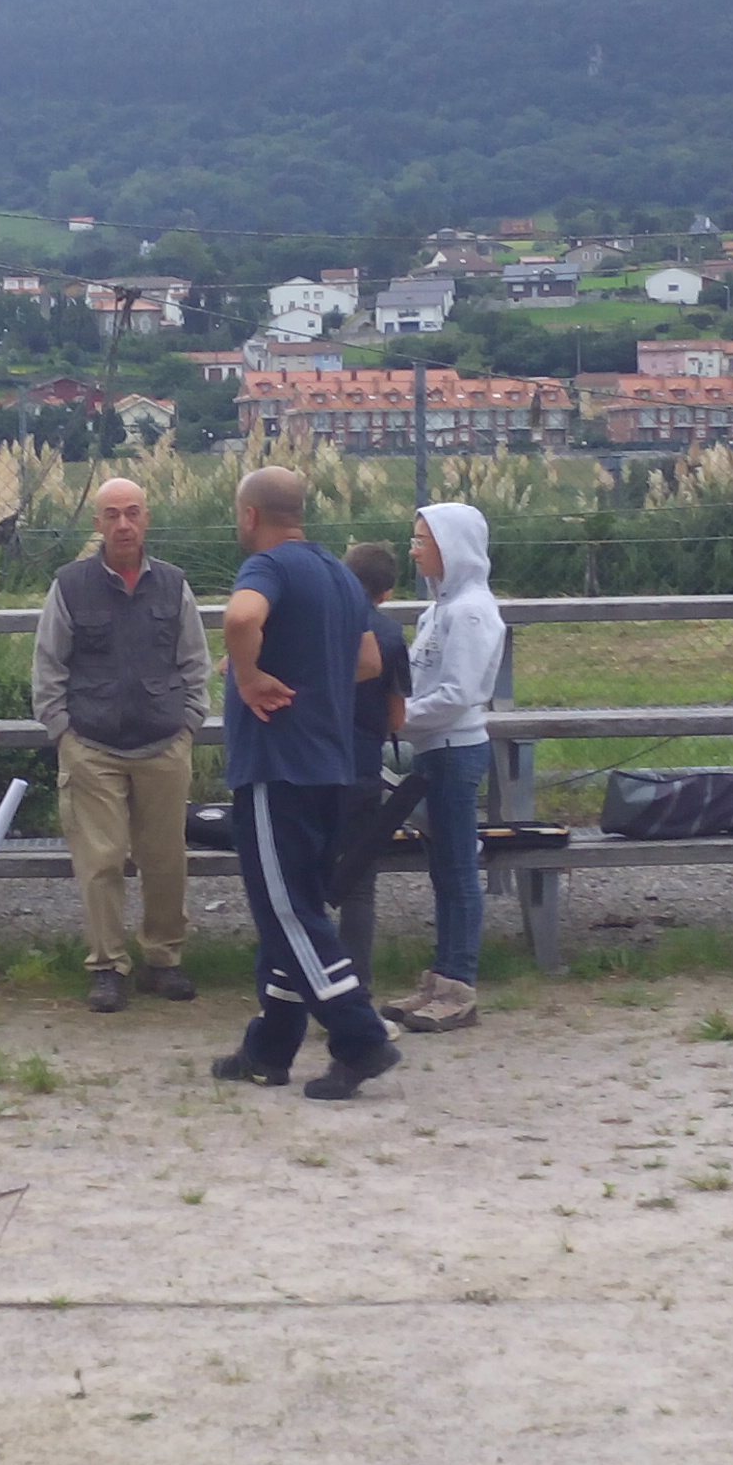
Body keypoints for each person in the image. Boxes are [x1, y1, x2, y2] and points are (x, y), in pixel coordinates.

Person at [208, 465, 401, 1101]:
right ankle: (271, 1046)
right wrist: (311, 676)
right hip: (332, 765)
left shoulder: (268, 567)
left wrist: (248, 676)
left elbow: (241, 618)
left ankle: (360, 1037)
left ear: (249, 515)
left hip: (276, 765)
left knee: (286, 912)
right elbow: (368, 660)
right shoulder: (340, 575)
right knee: (297, 911)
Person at [30, 476, 213, 1013]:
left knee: (165, 859)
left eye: (133, 512)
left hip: (163, 742)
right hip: (92, 746)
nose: (124, 524)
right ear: (97, 523)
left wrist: (189, 723)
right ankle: (107, 967)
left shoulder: (175, 585)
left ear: (147, 519)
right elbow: (48, 664)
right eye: (112, 514)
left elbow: (195, 660)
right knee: (101, 861)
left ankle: (164, 959)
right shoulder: (69, 585)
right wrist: (62, 730)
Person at [384, 503, 504, 1035]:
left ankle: (459, 986)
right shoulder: (437, 611)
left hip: (455, 748)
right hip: (434, 748)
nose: (414, 551)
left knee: (457, 870)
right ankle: (440, 980)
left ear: (452, 548)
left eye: (422, 541)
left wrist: (397, 718)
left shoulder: (471, 611)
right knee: (443, 870)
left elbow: (458, 693)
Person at [332, 540, 412, 978]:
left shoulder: (318, 623)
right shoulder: (390, 635)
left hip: (312, 765)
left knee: (303, 880)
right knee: (359, 886)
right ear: (386, 593)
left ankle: (306, 980)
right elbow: (396, 719)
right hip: (362, 768)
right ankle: (355, 983)